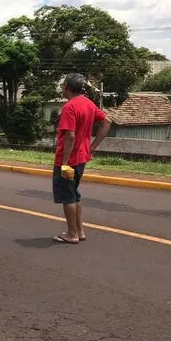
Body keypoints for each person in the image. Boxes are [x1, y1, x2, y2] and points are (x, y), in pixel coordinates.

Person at [52, 73, 112, 244]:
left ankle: (71, 234)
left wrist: (64, 163)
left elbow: (70, 136)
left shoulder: (70, 107)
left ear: (66, 87)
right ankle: (79, 231)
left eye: (63, 85)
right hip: (81, 159)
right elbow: (107, 122)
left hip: (68, 160)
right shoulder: (88, 103)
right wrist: (91, 147)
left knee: (67, 196)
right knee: (74, 194)